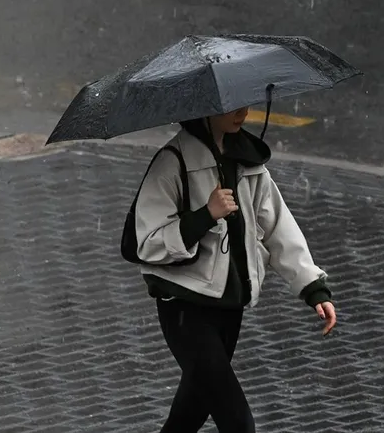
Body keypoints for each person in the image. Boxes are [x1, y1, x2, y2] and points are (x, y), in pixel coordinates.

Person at [133, 106, 337, 432]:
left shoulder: (248, 160)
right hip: (186, 309)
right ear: (205, 107)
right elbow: (148, 243)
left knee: (188, 417)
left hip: (230, 308)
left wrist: (313, 288)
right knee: (238, 423)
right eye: (230, 105)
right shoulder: (173, 162)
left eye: (244, 102)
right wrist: (206, 215)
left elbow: (277, 227)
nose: (242, 111)